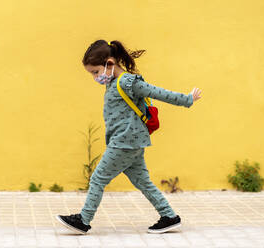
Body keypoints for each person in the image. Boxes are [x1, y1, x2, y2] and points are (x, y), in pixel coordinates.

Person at [56, 40, 202, 234]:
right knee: (143, 181)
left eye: (95, 72)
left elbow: (158, 93)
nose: (95, 77)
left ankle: (84, 220)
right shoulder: (113, 84)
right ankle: (169, 217)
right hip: (130, 142)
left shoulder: (127, 82)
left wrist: (187, 99)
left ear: (109, 63)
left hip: (124, 143)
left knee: (98, 178)